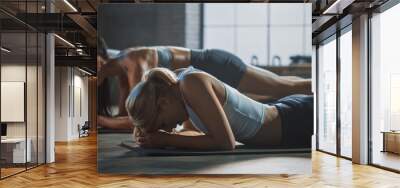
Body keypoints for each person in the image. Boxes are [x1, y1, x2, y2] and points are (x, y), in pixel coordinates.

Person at [97, 40, 312, 129]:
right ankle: (308, 96)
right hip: (210, 69)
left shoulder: (133, 62)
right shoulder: (121, 70)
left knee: (284, 87)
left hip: (215, 65)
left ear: (99, 57)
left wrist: (101, 121)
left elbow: (141, 116)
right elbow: (127, 114)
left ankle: (321, 86)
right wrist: (109, 120)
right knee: (270, 95)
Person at [125, 67, 313, 150]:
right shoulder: (177, 89)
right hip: (286, 115)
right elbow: (190, 132)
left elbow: (226, 143)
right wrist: (150, 135)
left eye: (163, 123)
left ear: (163, 103)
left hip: (295, 120)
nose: (168, 128)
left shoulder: (191, 83)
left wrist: (166, 139)